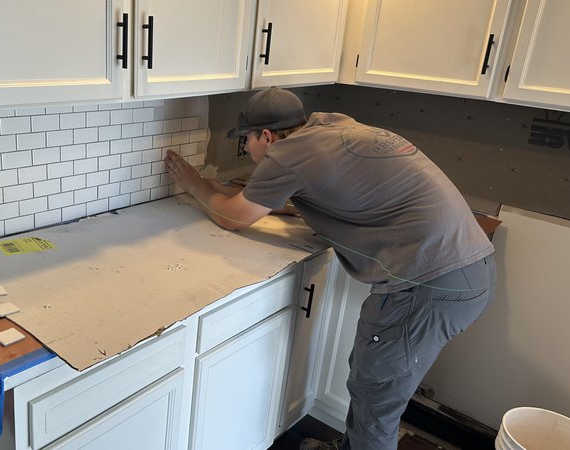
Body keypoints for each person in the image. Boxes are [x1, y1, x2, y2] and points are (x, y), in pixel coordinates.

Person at [164, 87, 496, 450]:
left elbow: (232, 218)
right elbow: (325, 195)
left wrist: (194, 185)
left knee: (376, 401)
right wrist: (250, 195)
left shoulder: (287, 154)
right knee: (371, 378)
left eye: (246, 141)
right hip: (467, 267)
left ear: (268, 136)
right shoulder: (331, 128)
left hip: (427, 285)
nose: (248, 150)